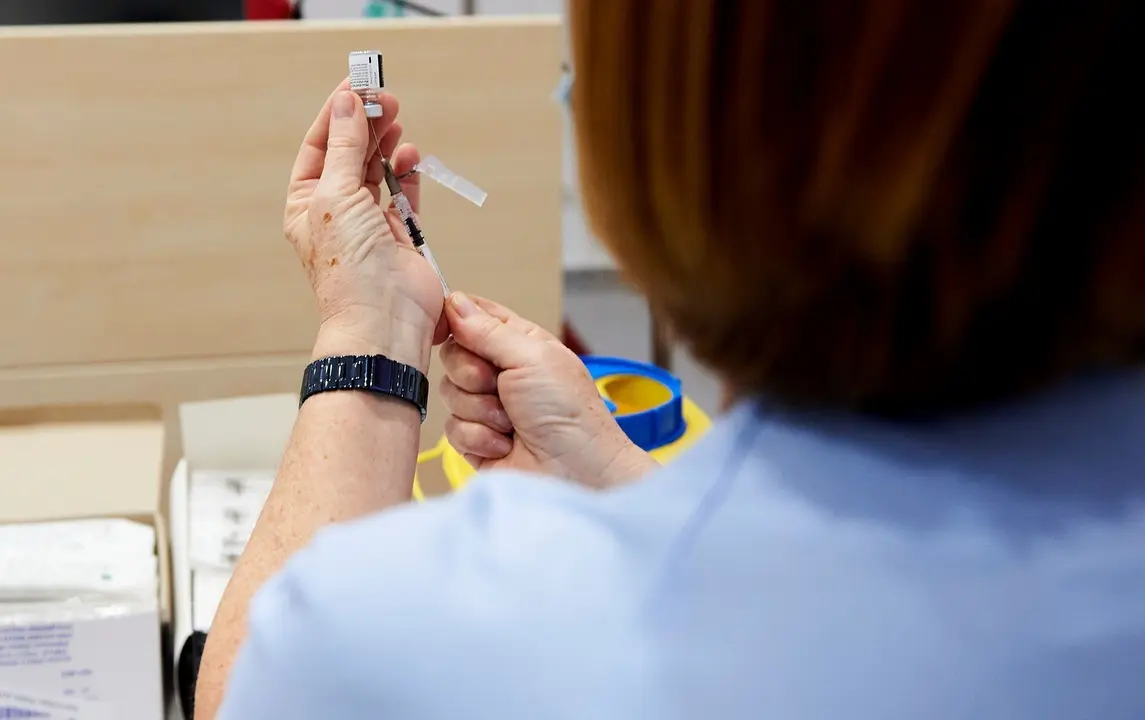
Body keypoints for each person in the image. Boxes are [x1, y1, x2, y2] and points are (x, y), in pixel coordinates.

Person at [199, 1, 1145, 717]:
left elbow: (267, 683)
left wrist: (368, 328)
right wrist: (622, 484)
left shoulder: (445, 638)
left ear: (678, 137)